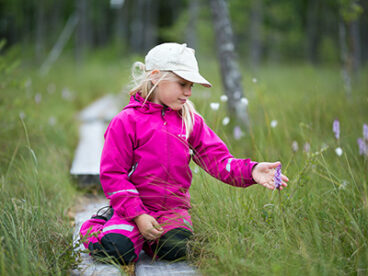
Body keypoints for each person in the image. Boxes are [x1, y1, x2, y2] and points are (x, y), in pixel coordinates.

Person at [79, 42, 289, 264]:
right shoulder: (126, 121)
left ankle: (148, 240)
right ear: (155, 77)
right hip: (131, 209)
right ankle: (97, 226)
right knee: (117, 250)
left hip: (172, 211)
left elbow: (218, 160)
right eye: (182, 84)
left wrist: (252, 170)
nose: (188, 92)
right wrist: (139, 215)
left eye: (191, 86)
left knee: (177, 248)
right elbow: (113, 175)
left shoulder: (190, 122)